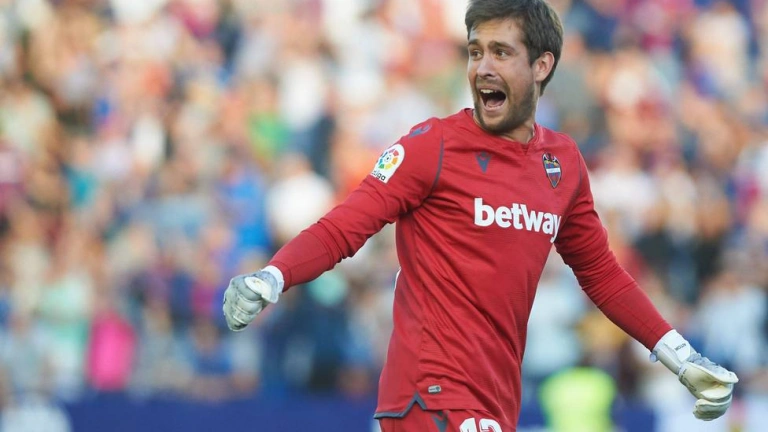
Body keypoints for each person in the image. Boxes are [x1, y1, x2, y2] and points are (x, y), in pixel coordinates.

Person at [222, 0, 738, 430]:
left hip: (494, 403)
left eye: (501, 52)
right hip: (428, 398)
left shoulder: (562, 164)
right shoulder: (432, 145)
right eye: (475, 51)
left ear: (542, 66)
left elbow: (602, 275)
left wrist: (680, 356)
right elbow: (345, 226)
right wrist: (273, 276)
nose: (483, 67)